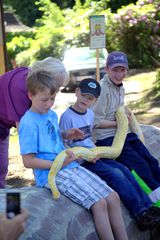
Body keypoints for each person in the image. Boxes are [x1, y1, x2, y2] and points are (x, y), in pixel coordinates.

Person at [18, 70, 128, 240]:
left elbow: (51, 137)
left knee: (113, 197)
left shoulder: (51, 115)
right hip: (52, 173)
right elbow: (28, 161)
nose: (49, 104)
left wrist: (66, 134)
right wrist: (58, 164)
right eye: (44, 100)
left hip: (70, 164)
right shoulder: (28, 122)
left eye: (52, 99)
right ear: (30, 95)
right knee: (99, 204)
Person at [59, 78, 160, 231]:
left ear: (95, 101)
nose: (86, 100)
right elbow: (64, 144)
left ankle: (147, 206)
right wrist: (84, 155)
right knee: (115, 174)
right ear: (77, 92)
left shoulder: (89, 115)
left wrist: (96, 151)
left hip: (94, 155)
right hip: (82, 162)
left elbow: (89, 139)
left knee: (124, 170)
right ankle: (140, 214)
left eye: (90, 98)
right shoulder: (67, 117)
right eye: (84, 95)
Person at [92, 51, 160, 204]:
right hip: (108, 138)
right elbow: (95, 122)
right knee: (139, 167)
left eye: (122, 70)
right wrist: (119, 123)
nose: (119, 74)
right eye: (115, 70)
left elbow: (119, 110)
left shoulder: (120, 88)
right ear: (107, 69)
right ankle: (154, 205)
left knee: (150, 160)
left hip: (123, 133)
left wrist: (124, 120)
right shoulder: (103, 90)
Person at [0, 57, 67, 188]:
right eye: (57, 85)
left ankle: (3, 196)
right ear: (45, 77)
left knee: (2, 166)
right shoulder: (19, 88)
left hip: (3, 124)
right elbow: (29, 140)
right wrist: (44, 179)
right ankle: (5, 200)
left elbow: (44, 127)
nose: (57, 91)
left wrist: (63, 134)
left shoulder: (35, 83)